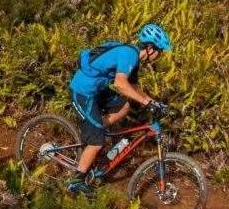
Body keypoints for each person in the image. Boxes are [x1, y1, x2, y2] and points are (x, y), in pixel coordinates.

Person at [66, 23, 172, 195]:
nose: (160, 56)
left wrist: (154, 102)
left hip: (97, 89)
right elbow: (120, 84)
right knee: (96, 141)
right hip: (83, 91)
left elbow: (135, 89)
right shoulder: (129, 54)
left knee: (124, 106)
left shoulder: (135, 60)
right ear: (151, 48)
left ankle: (94, 132)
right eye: (160, 51)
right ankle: (76, 180)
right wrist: (146, 103)